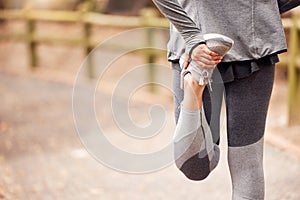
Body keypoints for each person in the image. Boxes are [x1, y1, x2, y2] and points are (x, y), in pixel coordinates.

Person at [151, 0, 300, 199]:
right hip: (196, 45)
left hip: (254, 44)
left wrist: (262, 7)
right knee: (196, 165)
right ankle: (194, 86)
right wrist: (192, 37)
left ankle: (193, 85)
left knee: (247, 163)